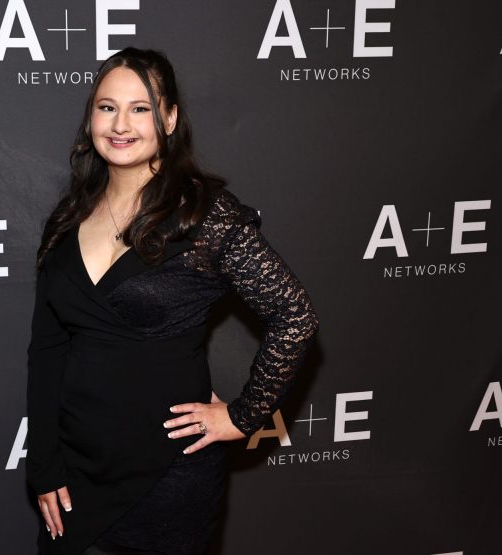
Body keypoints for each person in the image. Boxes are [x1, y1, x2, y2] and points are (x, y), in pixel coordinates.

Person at [25, 47, 319, 555]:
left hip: (167, 478)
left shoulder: (203, 216)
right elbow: (47, 348)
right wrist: (45, 463)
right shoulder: (70, 215)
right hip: (76, 471)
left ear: (170, 117)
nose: (120, 124)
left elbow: (295, 316)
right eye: (106, 106)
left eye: (140, 108)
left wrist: (242, 416)